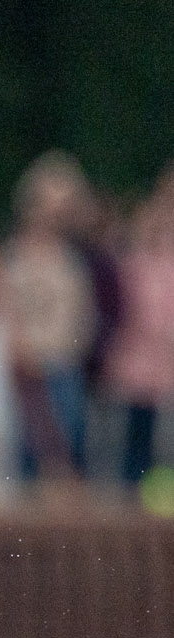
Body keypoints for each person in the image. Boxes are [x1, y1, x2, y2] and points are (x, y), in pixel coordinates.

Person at [0, 153, 100, 483]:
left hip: (62, 362)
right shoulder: (13, 256)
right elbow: (3, 309)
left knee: (65, 448)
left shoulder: (75, 258)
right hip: (24, 365)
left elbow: (81, 314)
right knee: (27, 453)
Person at [107, 176, 174, 488]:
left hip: (163, 359)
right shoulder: (133, 264)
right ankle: (132, 488)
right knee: (136, 429)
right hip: (138, 359)